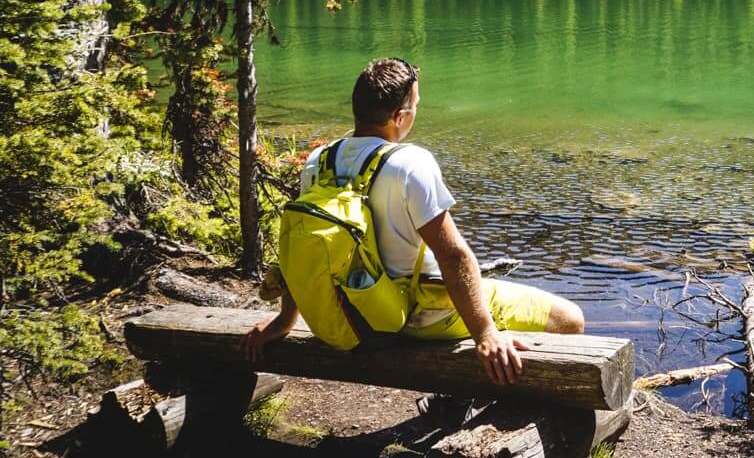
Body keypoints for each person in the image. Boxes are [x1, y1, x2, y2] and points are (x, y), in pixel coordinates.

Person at [240, 57, 584, 384]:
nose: (416, 111)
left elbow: (311, 244)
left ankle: (458, 397)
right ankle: (469, 399)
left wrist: (286, 320)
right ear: (399, 117)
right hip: (423, 317)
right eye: (416, 105)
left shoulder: (319, 160)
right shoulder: (410, 163)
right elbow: (453, 256)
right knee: (570, 320)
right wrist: (486, 333)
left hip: (358, 313)